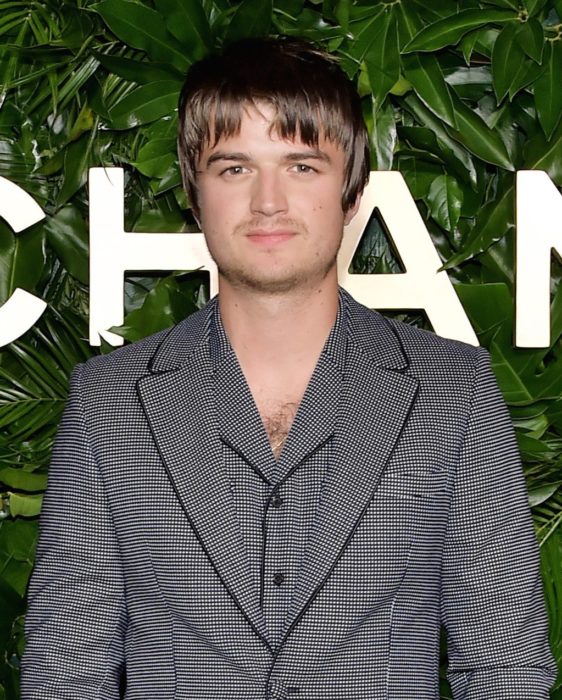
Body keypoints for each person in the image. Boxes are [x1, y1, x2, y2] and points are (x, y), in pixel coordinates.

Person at [22, 37, 555, 699]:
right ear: (195, 192)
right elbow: (64, 675)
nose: (268, 200)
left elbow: (504, 667)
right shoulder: (109, 403)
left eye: (301, 167)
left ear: (351, 191)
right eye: (234, 168)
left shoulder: (454, 393)